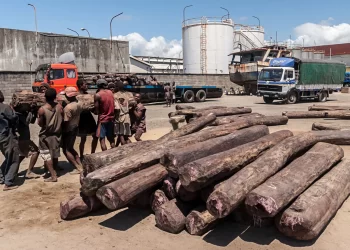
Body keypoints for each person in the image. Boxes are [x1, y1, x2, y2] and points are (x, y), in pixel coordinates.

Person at [37, 88, 63, 182]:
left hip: (45, 136)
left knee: (47, 155)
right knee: (54, 154)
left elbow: (40, 124)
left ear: (45, 97)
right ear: (55, 97)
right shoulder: (59, 107)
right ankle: (54, 171)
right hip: (57, 134)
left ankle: (53, 176)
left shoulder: (42, 110)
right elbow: (62, 118)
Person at [0, 91, 20, 191]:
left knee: (8, 156)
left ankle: (1, 176)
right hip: (7, 135)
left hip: (1, 137)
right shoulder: (4, 107)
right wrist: (14, 111)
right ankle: (8, 183)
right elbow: (13, 118)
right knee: (14, 159)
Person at [62, 87, 83, 173]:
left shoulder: (68, 108)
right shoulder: (80, 104)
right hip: (75, 127)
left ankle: (77, 167)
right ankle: (80, 165)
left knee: (66, 149)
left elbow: (66, 121)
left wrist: (64, 130)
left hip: (69, 129)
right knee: (71, 148)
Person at [76, 79, 98, 159]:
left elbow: (93, 108)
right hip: (82, 118)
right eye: (85, 84)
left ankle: (92, 153)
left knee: (95, 136)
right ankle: (81, 156)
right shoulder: (76, 96)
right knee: (83, 138)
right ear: (81, 86)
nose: (87, 86)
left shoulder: (89, 95)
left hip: (89, 117)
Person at [17, 105, 40, 179]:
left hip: (23, 138)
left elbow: (32, 122)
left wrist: (34, 112)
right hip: (23, 138)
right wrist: (31, 111)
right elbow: (27, 122)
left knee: (22, 154)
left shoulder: (20, 113)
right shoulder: (18, 115)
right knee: (36, 151)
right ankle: (29, 172)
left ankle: (13, 170)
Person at [94, 79, 115, 151]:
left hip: (102, 120)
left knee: (102, 140)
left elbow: (96, 111)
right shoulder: (110, 92)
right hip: (111, 119)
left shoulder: (98, 95)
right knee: (111, 139)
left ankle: (105, 156)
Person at [114, 81, 131, 146]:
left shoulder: (115, 95)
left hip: (119, 116)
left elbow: (116, 108)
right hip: (127, 116)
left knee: (121, 135)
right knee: (126, 136)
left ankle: (123, 150)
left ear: (117, 87)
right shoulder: (129, 94)